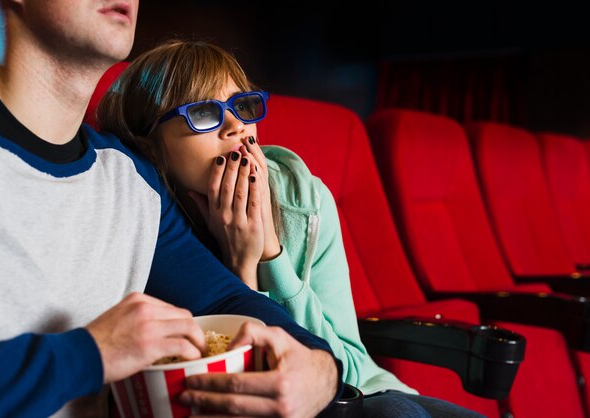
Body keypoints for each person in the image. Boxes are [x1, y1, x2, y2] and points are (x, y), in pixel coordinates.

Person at [0, 1, 343, 417]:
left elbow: (228, 301)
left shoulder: (133, 180)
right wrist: (92, 353)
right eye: (205, 113)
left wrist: (319, 371)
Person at [97, 39, 487, 418]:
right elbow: (243, 389)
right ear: (149, 145)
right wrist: (243, 267)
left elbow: (348, 368)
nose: (236, 126)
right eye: (202, 113)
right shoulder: (144, 222)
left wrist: (272, 254)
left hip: (366, 390)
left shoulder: (306, 200)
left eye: (242, 106)